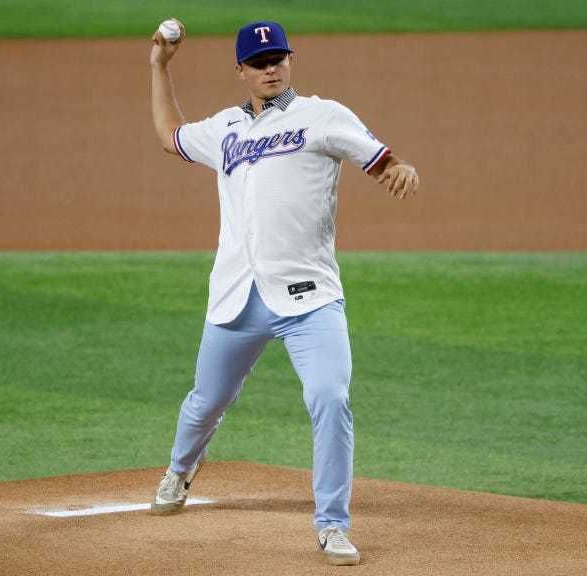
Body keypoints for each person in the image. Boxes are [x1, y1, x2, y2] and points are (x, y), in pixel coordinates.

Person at [147, 18, 419, 566]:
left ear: (290, 61)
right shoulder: (224, 129)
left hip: (310, 299)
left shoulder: (322, 115)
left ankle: (333, 524)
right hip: (237, 296)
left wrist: (398, 168)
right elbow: (170, 133)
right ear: (241, 70)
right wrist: (159, 66)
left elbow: (376, 156)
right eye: (259, 63)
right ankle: (180, 469)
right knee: (206, 400)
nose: (270, 69)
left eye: (278, 59)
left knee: (330, 398)